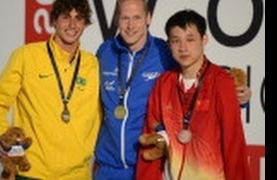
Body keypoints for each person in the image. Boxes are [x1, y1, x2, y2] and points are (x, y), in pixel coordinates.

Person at [93, 0, 251, 179]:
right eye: (124, 18)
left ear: (148, 18)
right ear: (116, 20)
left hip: (144, 163)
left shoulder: (163, 52)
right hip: (108, 168)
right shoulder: (105, 52)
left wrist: (240, 97)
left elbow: (200, 72)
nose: (130, 25)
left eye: (137, 17)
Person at [0, 0, 101, 179]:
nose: (72, 24)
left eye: (78, 18)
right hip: (31, 171)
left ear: (85, 23)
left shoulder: (92, 64)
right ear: (54, 20)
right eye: (65, 17)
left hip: (78, 174)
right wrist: (0, 134)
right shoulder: (25, 56)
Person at [136, 9, 251, 180]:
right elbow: (150, 137)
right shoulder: (164, 83)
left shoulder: (221, 81)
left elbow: (233, 143)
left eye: (190, 39)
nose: (183, 47)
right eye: (176, 41)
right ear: (169, 45)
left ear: (204, 40)